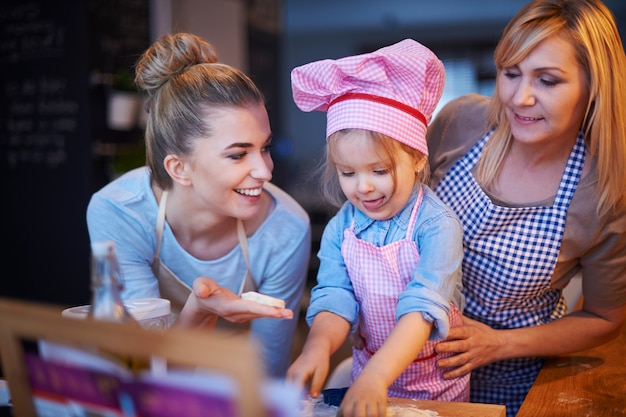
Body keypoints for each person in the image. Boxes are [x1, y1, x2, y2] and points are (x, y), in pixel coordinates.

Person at [426, 1, 626, 415]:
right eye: (510, 73)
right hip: (415, 368)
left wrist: (499, 345)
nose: (520, 97)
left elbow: (604, 318)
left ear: (594, 86)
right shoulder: (460, 123)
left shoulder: (604, 193)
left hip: (516, 381)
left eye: (548, 80)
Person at [86, 33, 311, 377]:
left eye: (264, 147)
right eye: (238, 154)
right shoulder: (120, 212)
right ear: (180, 168)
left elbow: (267, 371)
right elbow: (143, 368)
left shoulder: (287, 228)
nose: (265, 171)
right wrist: (200, 311)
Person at [287, 39, 469, 417]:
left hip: (436, 380)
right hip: (366, 370)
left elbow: (421, 309)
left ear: (417, 159)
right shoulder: (342, 227)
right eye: (347, 173)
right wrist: (318, 346)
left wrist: (376, 376)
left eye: (379, 170)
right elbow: (335, 295)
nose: (363, 187)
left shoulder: (437, 226)